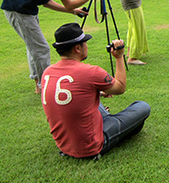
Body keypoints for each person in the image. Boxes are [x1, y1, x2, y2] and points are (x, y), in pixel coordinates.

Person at [1, 0, 106, 93]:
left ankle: (39, 84)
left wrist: (73, 11)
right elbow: (68, 4)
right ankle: (47, 88)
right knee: (40, 48)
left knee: (34, 46)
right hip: (19, 10)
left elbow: (46, 2)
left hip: (25, 10)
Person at [41, 23, 151, 159]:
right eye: (85, 43)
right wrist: (118, 57)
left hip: (64, 144)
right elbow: (120, 87)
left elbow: (71, 93)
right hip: (91, 145)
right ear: (77, 48)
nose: (87, 46)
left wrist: (98, 93)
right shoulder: (90, 72)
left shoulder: (47, 72)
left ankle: (105, 119)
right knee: (142, 107)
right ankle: (112, 126)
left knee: (88, 96)